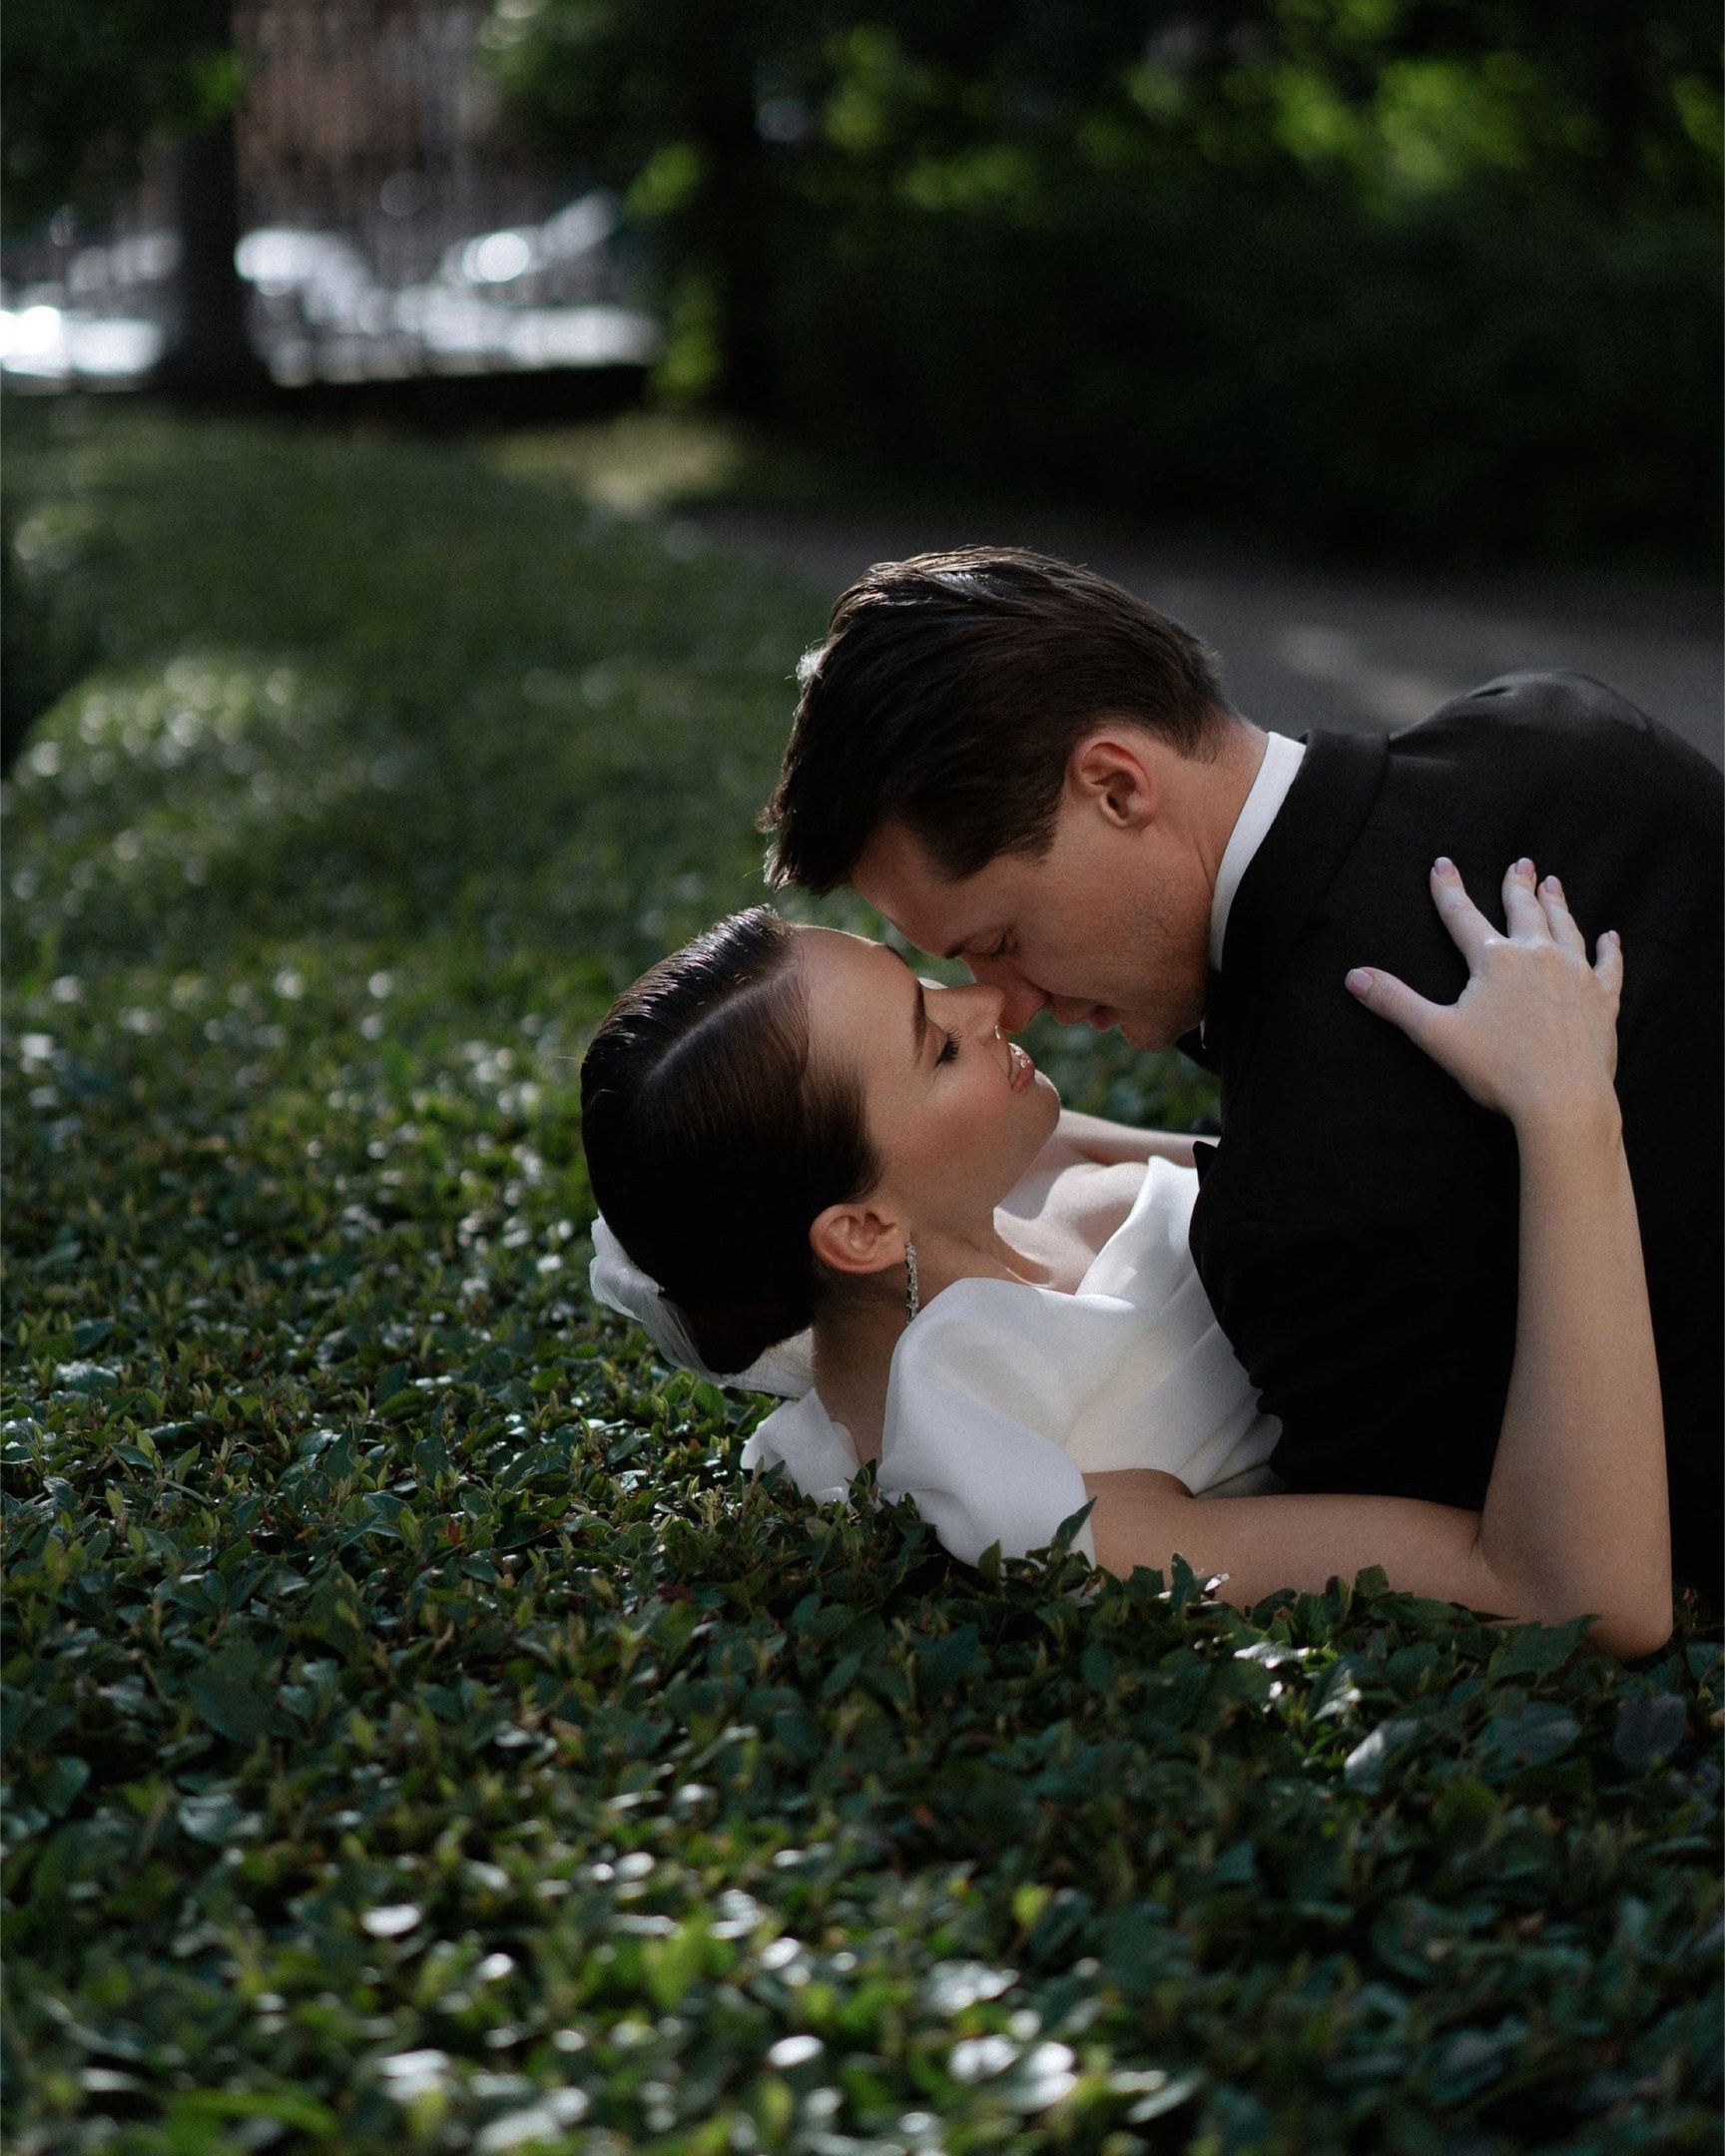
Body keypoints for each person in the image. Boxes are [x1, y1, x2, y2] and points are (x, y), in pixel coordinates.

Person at [759, 550, 1722, 1609]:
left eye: (1000, 939)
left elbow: (1560, 1586)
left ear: (1117, 786)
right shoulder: (1570, 731)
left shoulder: (1298, 1218)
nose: (1009, 1001)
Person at [582, 861, 1671, 1659]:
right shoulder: (1040, 1492)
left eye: (925, 983)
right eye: (937, 1042)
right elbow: (1570, 1592)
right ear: (859, 1233)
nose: (990, 1002)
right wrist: (1569, 1110)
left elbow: (1279, 1171)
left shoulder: (970, 1178)